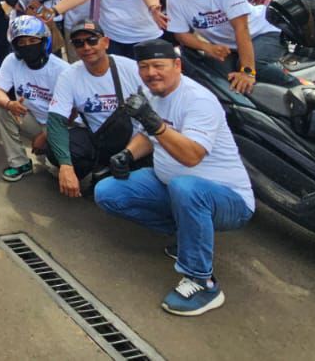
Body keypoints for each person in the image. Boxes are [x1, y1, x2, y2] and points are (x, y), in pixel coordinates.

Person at [94, 41, 255, 318]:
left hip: (228, 199)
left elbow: (192, 156)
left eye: (159, 66)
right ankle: (188, 235)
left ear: (177, 66)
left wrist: (155, 122)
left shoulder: (199, 100)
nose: (151, 73)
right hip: (171, 185)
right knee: (107, 192)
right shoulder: (151, 93)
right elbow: (148, 136)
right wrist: (127, 154)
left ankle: (203, 283)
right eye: (144, 67)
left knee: (186, 187)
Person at [45, 21, 144, 198]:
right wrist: (66, 166)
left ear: (105, 42)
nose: (86, 47)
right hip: (97, 137)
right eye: (78, 43)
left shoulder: (130, 68)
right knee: (55, 148)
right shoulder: (69, 76)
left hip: (135, 141)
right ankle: (96, 168)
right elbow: (56, 120)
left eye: (92, 40)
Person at [165, 0, 292, 91]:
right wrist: (207, 47)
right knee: (221, 80)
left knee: (254, 67)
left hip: (262, 32)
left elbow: (241, 28)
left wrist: (248, 72)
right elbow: (181, 35)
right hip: (229, 46)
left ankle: (298, 87)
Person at [0, 16, 66, 182]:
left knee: (56, 169)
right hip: (31, 117)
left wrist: (45, 136)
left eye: (33, 40)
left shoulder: (61, 70)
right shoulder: (12, 61)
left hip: (59, 125)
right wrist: (9, 104)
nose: (28, 46)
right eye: (22, 43)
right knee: (0, 110)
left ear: (44, 41)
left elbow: (71, 115)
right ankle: (20, 163)